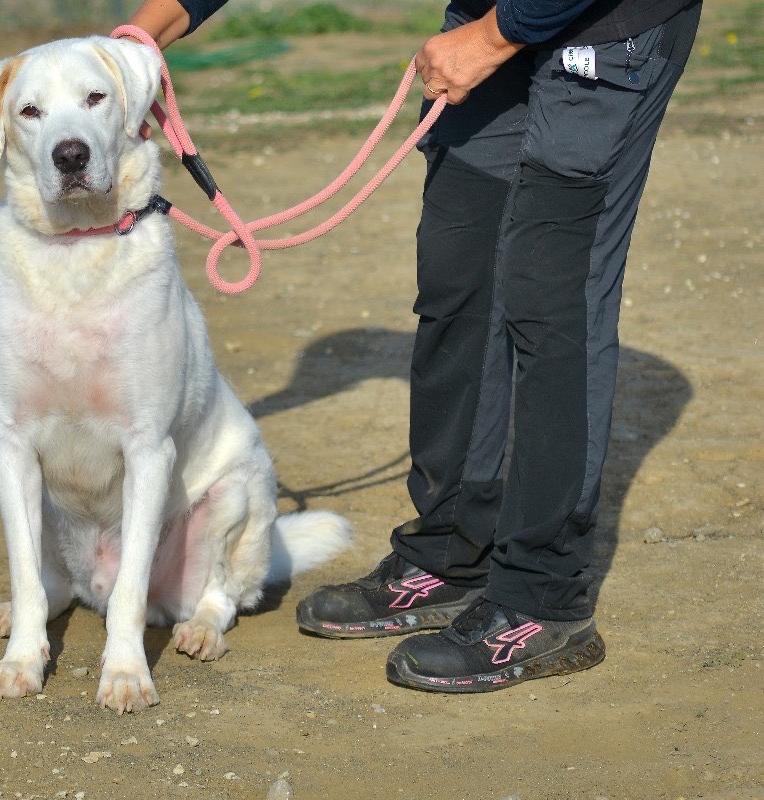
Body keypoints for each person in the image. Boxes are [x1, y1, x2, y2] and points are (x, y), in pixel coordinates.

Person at [124, 0, 700, 692]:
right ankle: (453, 552)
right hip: (495, 15)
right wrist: (143, 35)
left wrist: (495, 36)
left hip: (606, 26)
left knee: (552, 301)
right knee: (461, 278)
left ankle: (541, 598)